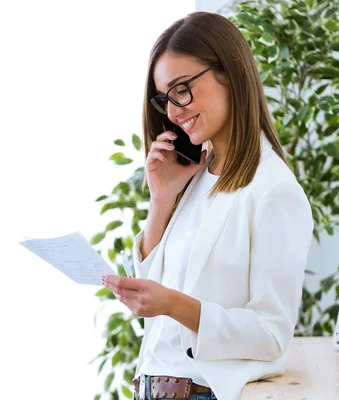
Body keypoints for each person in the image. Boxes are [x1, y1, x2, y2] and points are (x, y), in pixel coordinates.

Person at [102, 11, 313, 400]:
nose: (174, 111)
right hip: (150, 386)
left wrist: (175, 305)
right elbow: (161, 282)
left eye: (182, 89)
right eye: (165, 98)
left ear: (229, 74)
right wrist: (161, 200)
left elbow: (270, 334)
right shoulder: (197, 174)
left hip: (201, 392)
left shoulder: (274, 190)